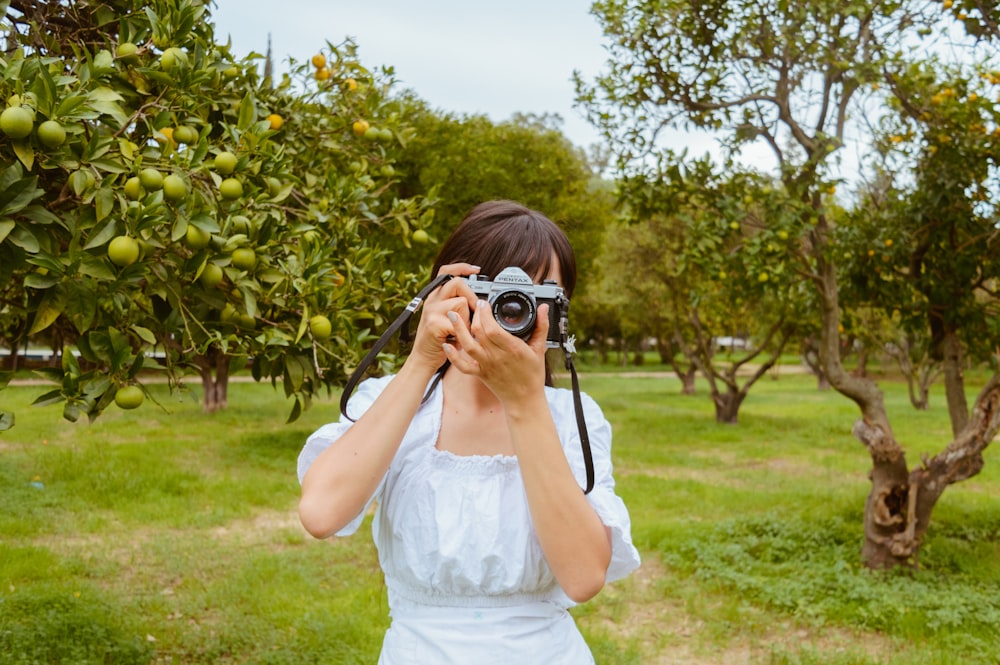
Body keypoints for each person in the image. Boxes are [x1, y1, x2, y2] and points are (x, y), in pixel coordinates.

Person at [297, 200, 640, 664]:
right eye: (499, 293)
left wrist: (524, 404)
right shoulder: (397, 403)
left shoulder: (568, 416)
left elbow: (583, 578)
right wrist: (421, 360)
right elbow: (320, 514)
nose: (514, 313)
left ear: (559, 314)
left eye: (538, 297)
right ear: (454, 293)